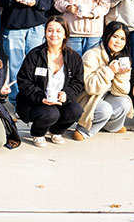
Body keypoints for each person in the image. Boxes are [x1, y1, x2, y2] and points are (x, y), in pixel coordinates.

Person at [16, 16, 85, 147]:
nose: (54, 34)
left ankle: (56, 131)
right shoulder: (35, 55)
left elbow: (78, 82)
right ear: (45, 32)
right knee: (50, 113)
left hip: (59, 101)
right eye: (50, 30)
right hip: (35, 102)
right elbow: (23, 81)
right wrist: (41, 97)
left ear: (65, 34)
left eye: (58, 31)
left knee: (76, 111)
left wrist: (67, 94)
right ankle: (38, 133)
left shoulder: (74, 57)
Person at [72, 21, 133, 140]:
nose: (118, 41)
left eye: (122, 39)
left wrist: (121, 75)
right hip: (87, 98)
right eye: (115, 37)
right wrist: (109, 71)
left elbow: (124, 91)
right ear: (107, 36)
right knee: (106, 109)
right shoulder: (92, 55)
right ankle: (83, 130)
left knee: (125, 103)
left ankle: (112, 127)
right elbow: (90, 88)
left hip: (106, 96)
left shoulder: (123, 58)